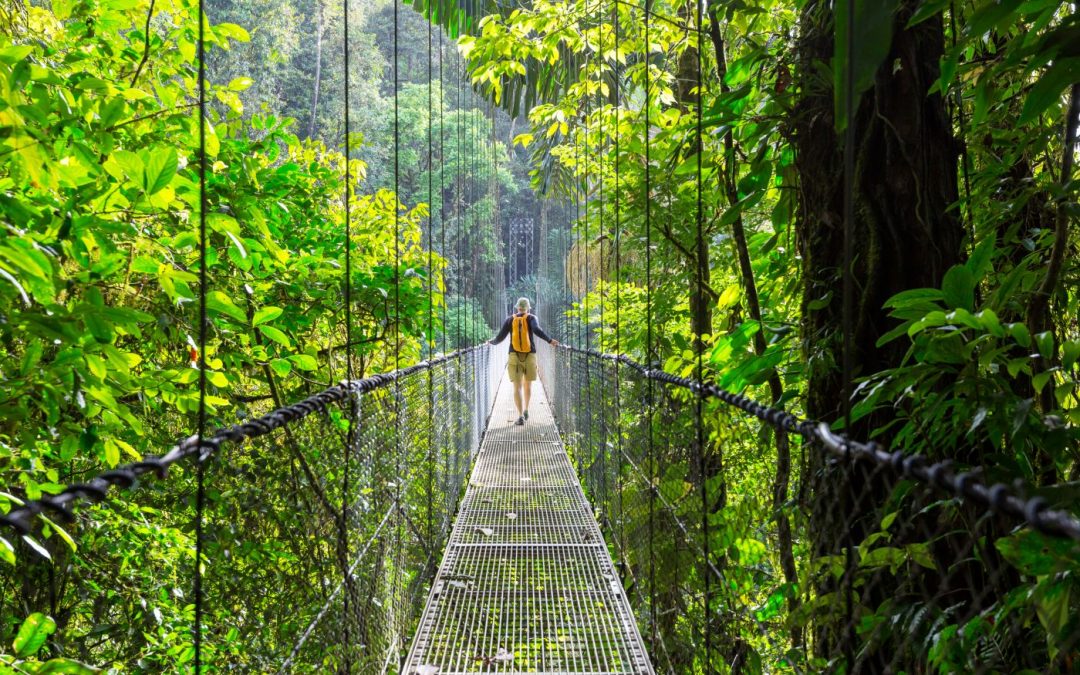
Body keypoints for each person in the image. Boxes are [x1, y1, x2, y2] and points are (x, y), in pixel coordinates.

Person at [488, 297, 558, 425]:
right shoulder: (531, 318)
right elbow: (537, 330)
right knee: (528, 385)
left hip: (514, 355)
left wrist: (491, 342)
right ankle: (526, 410)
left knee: (517, 387)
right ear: (528, 308)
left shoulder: (510, 319)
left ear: (517, 307)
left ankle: (520, 416)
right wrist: (550, 340)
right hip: (530, 355)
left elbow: (500, 337)